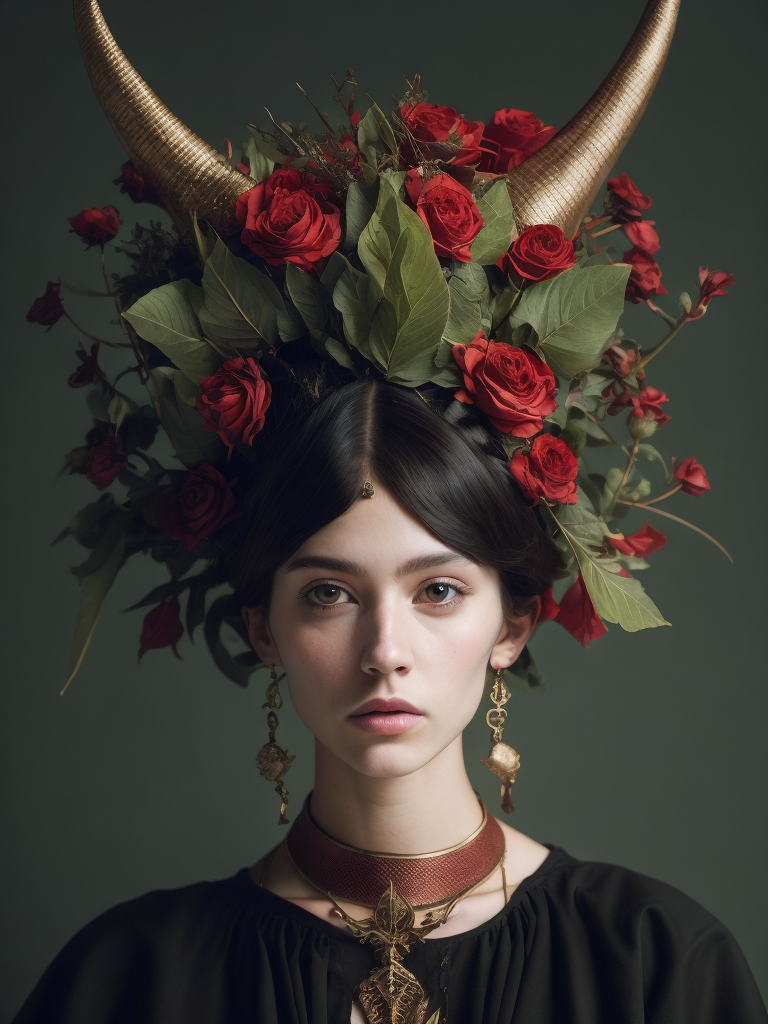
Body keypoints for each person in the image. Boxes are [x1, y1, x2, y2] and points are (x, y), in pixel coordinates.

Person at [11, 0, 767, 1021]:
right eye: (327, 593)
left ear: (516, 621)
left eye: (440, 588)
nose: (386, 650)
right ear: (258, 625)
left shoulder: (655, 965)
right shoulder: (131, 980)